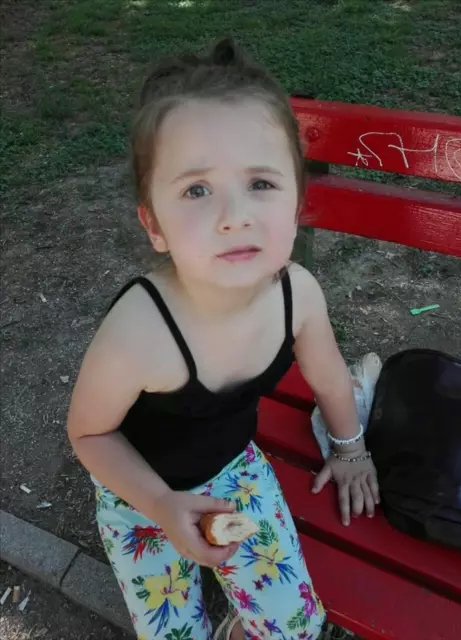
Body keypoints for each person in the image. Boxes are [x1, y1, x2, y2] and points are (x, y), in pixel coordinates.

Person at [67, 38, 380, 640]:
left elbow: (329, 376)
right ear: (154, 225)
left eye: (261, 182)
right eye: (196, 190)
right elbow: (89, 433)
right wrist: (161, 505)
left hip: (235, 473)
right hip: (138, 496)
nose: (235, 214)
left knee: (294, 628)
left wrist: (349, 449)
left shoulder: (298, 296)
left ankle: (240, 624)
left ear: (298, 203)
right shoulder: (139, 332)